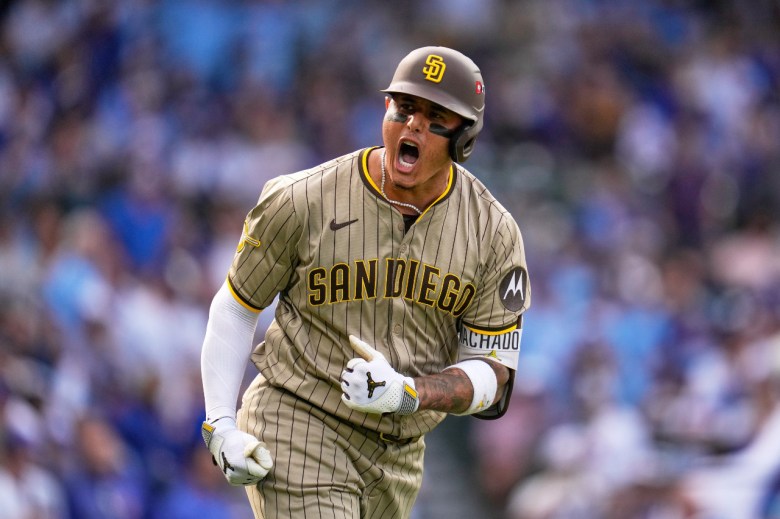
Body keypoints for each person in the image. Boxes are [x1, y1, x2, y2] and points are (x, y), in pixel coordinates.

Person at [199, 45, 531, 519]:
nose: (413, 125)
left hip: (399, 456)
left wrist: (409, 393)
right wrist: (222, 425)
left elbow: (491, 376)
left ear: (465, 139)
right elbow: (236, 306)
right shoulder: (303, 199)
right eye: (405, 107)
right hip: (299, 417)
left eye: (435, 115)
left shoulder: (493, 234)